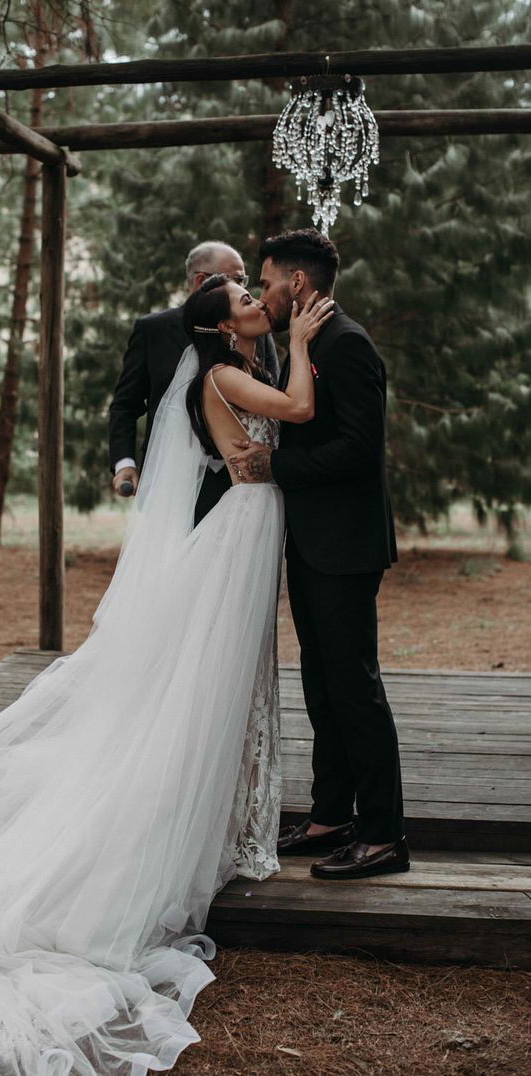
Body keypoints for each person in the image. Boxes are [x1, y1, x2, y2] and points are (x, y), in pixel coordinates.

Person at [0, 277, 330, 1076]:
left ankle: (222, 820)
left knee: (229, 683)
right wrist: (299, 348)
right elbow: (295, 411)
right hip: (241, 525)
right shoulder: (224, 373)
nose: (254, 301)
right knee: (209, 682)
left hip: (251, 524)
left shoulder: (232, 361)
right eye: (242, 296)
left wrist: (285, 352)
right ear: (219, 324)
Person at [230, 228, 408, 881]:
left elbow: (360, 449)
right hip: (311, 543)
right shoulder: (303, 345)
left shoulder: (348, 346)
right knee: (322, 685)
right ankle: (332, 813)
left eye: (268, 280)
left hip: (346, 544)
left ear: (297, 284)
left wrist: (276, 466)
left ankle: (385, 832)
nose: (262, 292)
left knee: (354, 686)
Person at [109, 240, 279, 523]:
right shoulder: (153, 330)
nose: (246, 291)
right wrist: (124, 464)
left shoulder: (256, 329)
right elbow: (125, 405)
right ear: (202, 280)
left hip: (237, 483)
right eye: (237, 280)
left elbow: (274, 395)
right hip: (170, 482)